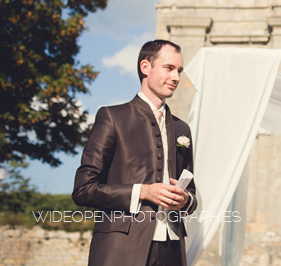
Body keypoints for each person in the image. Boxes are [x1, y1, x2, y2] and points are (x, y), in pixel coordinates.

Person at [73, 40, 197, 266]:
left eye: (179, 71)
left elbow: (192, 195)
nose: (177, 77)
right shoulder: (112, 117)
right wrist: (144, 192)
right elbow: (83, 189)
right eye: (169, 68)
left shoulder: (182, 129)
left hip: (172, 250)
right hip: (121, 251)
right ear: (145, 67)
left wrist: (185, 199)